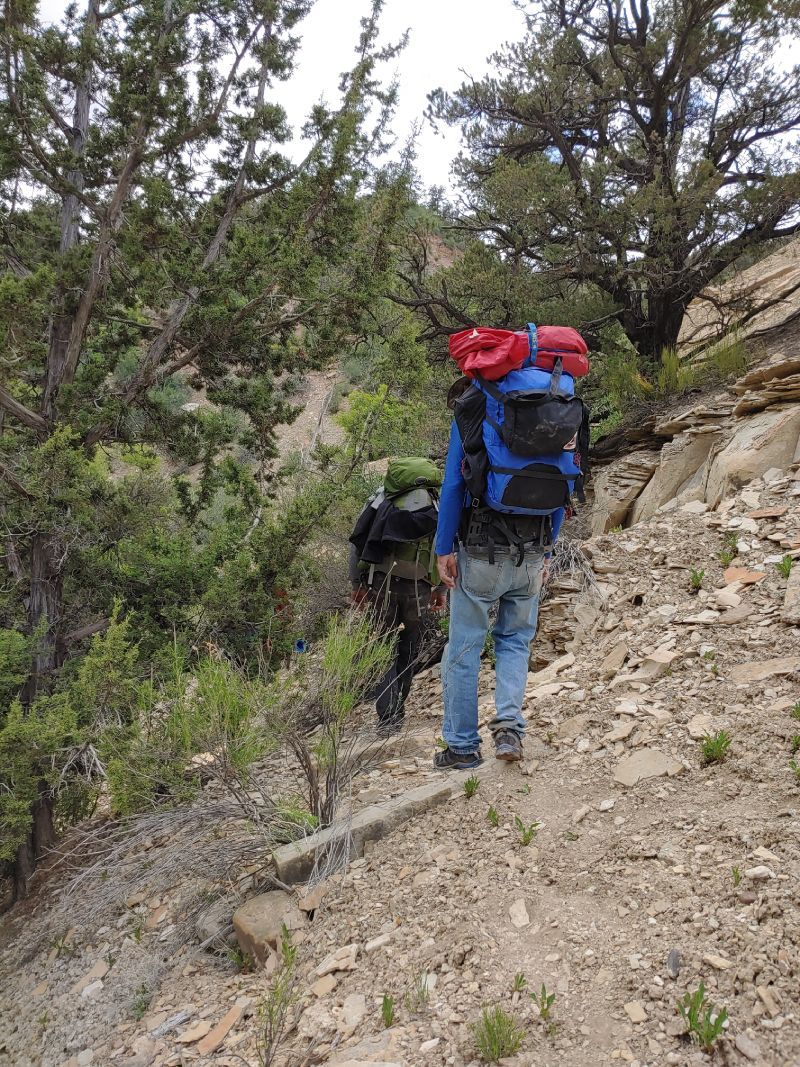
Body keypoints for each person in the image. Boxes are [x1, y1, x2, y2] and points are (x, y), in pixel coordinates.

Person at [433, 324, 589, 771]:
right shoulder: (560, 408)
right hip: (534, 548)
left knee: (463, 647)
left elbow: (452, 484)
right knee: (515, 642)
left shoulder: (475, 406)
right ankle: (509, 731)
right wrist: (549, 549)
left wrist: (444, 547)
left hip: (480, 548)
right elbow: (566, 483)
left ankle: (462, 747)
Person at [349, 457, 446, 736]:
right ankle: (395, 712)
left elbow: (357, 542)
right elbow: (447, 547)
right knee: (408, 647)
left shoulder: (380, 499)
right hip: (419, 587)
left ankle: (388, 717)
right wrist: (441, 590)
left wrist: (356, 583)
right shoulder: (437, 503)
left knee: (383, 647)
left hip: (380, 583)